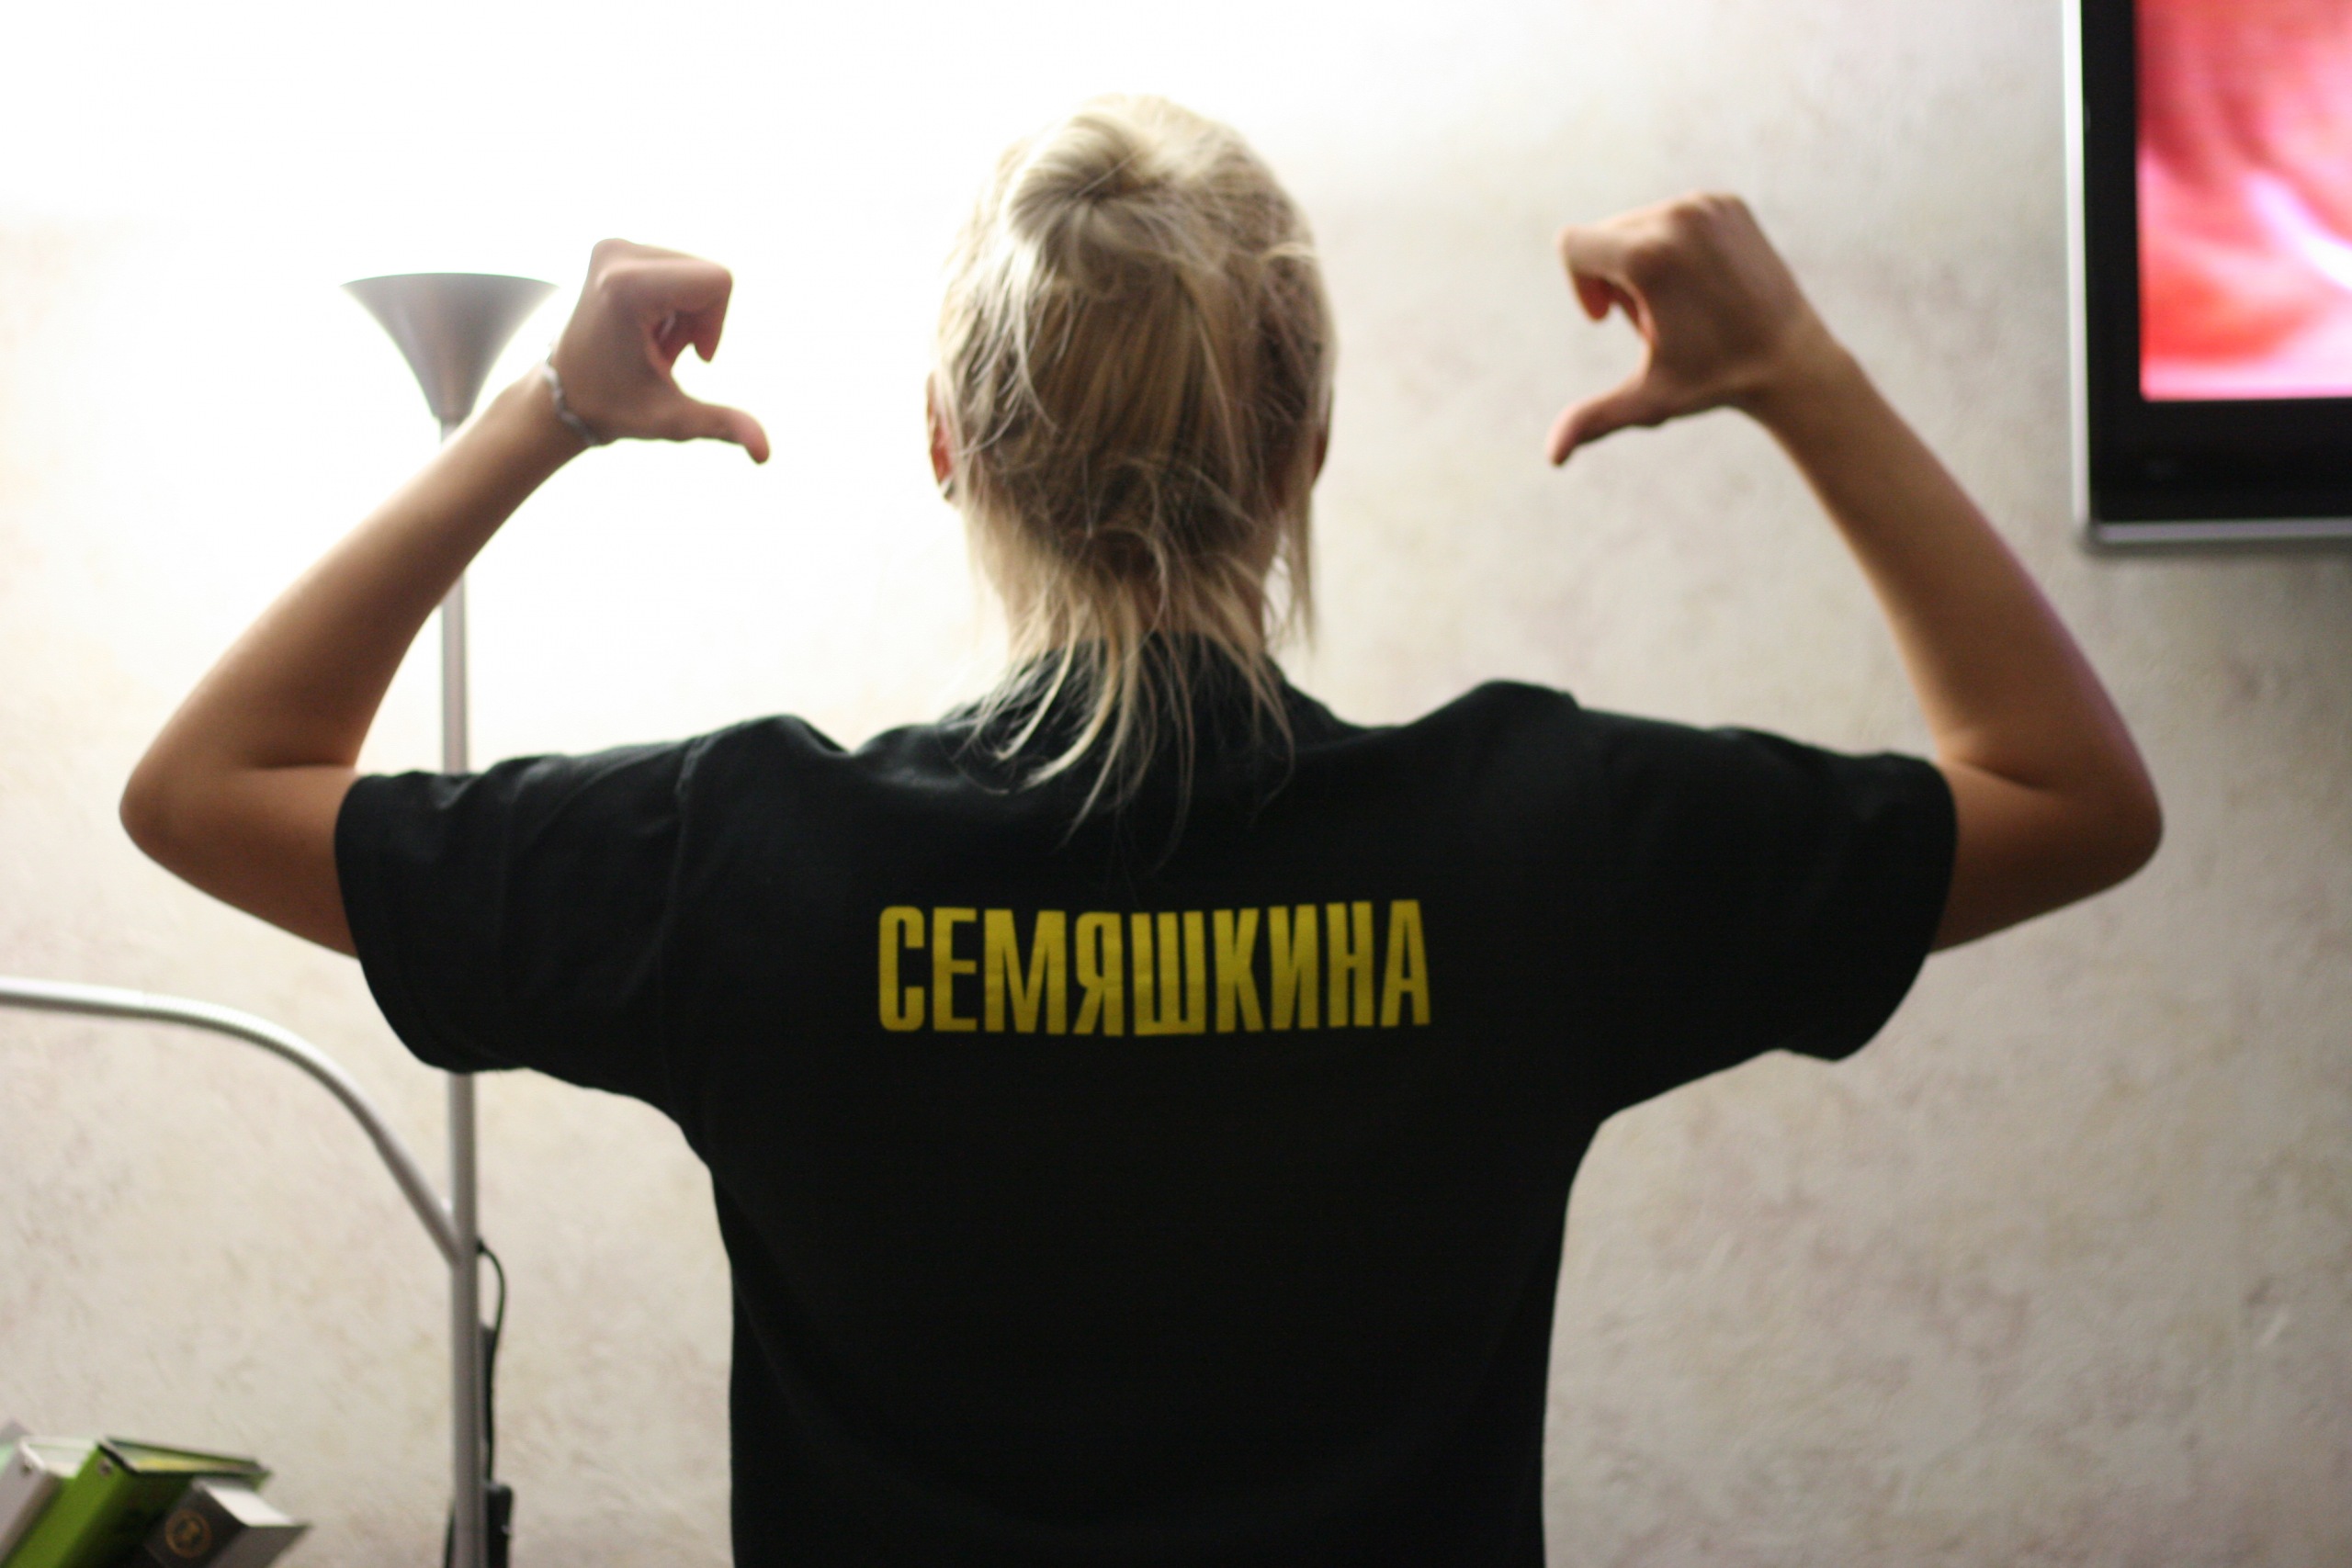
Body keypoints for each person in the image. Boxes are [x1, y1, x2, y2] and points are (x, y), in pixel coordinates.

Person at [122, 96, 2158, 1567]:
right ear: (1307, 446)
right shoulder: (1541, 841)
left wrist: (546, 411)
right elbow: (2068, 796)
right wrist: (1795, 371)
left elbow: (208, 791)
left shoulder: (743, 859)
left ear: (945, 445)